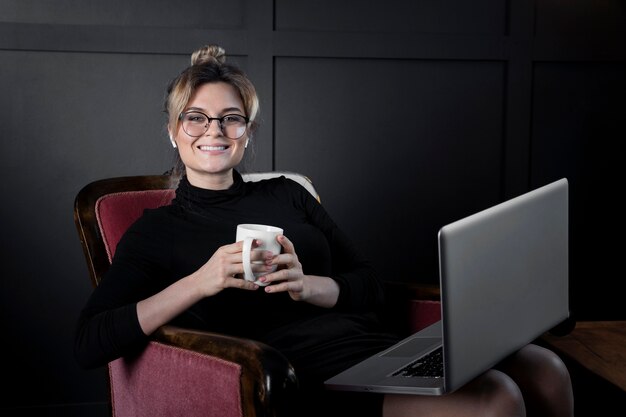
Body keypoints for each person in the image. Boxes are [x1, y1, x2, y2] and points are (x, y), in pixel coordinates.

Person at [74, 44, 574, 417]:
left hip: (377, 346)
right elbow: (91, 341)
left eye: (232, 118)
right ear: (172, 130)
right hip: (302, 376)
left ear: (248, 131)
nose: (215, 131)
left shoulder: (287, 194)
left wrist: (311, 286)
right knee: (496, 399)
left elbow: (372, 286)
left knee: (545, 369)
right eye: (196, 118)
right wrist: (201, 281)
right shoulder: (157, 229)